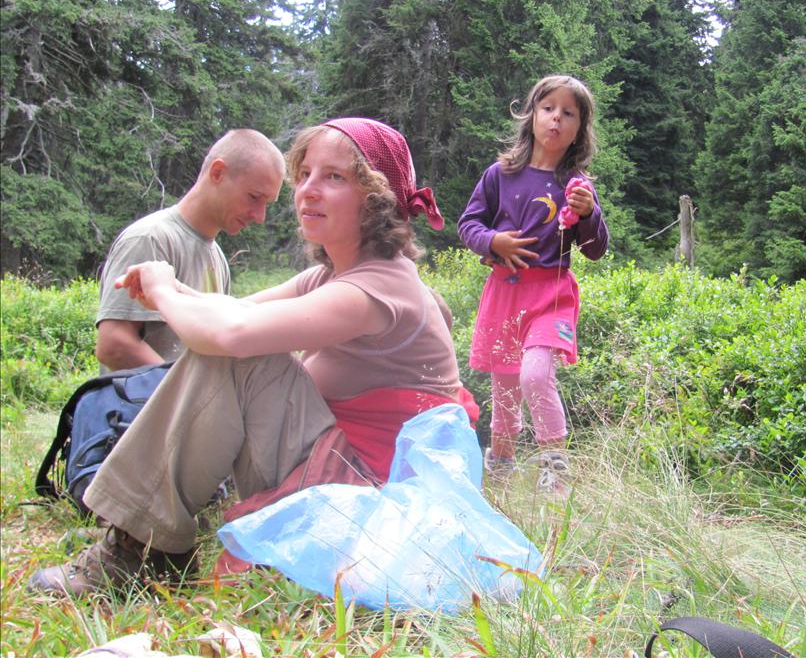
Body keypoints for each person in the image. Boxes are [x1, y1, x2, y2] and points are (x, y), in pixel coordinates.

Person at [29, 117, 477, 596]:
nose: (307, 190)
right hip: (346, 482)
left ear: (378, 199)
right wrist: (173, 288)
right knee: (232, 346)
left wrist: (161, 292)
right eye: (304, 173)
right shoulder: (334, 276)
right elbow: (236, 310)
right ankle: (139, 531)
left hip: (372, 509)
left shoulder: (379, 286)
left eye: (334, 176)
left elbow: (233, 334)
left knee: (242, 355)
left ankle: (140, 548)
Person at [458, 75, 609, 493]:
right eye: (548, 108)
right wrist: (493, 241)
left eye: (568, 113)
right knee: (505, 394)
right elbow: (468, 224)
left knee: (535, 375)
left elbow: (595, 249)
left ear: (580, 129)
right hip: (504, 294)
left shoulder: (577, 187)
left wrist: (589, 214)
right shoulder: (500, 174)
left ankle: (555, 473)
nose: (556, 118)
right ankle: (501, 473)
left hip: (551, 295)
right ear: (531, 116)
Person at [95, 129, 285, 371]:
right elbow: (114, 345)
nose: (260, 216)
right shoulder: (151, 238)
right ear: (218, 173)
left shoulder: (217, 256)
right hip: (150, 398)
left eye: (266, 204)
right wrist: (187, 391)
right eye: (254, 197)